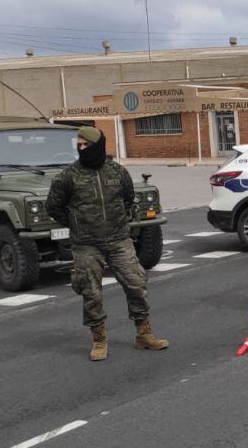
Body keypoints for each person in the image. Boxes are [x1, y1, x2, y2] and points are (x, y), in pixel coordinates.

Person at [46, 126, 168, 361]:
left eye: (86, 145)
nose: (82, 149)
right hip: (86, 244)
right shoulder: (67, 176)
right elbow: (53, 207)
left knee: (136, 284)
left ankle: (144, 334)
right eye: (78, 146)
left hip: (119, 240)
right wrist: (76, 223)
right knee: (91, 292)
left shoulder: (117, 171)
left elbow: (128, 198)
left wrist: (118, 222)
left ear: (98, 145)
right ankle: (99, 340)